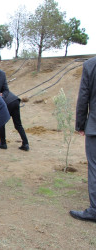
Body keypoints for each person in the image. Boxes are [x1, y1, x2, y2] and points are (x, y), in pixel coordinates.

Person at [70, 56, 96, 223]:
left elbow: (84, 96)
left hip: (94, 125)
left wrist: (80, 124)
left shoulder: (91, 65)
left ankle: (94, 210)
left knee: (94, 167)